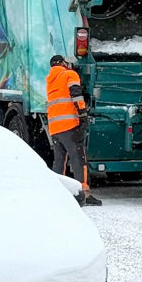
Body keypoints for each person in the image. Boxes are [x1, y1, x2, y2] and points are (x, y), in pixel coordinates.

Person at [46, 54, 103, 205]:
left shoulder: (50, 80)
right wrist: (83, 116)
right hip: (70, 126)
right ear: (63, 63)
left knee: (59, 161)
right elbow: (76, 96)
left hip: (55, 127)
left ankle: (57, 192)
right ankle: (83, 193)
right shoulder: (69, 74)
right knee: (79, 160)